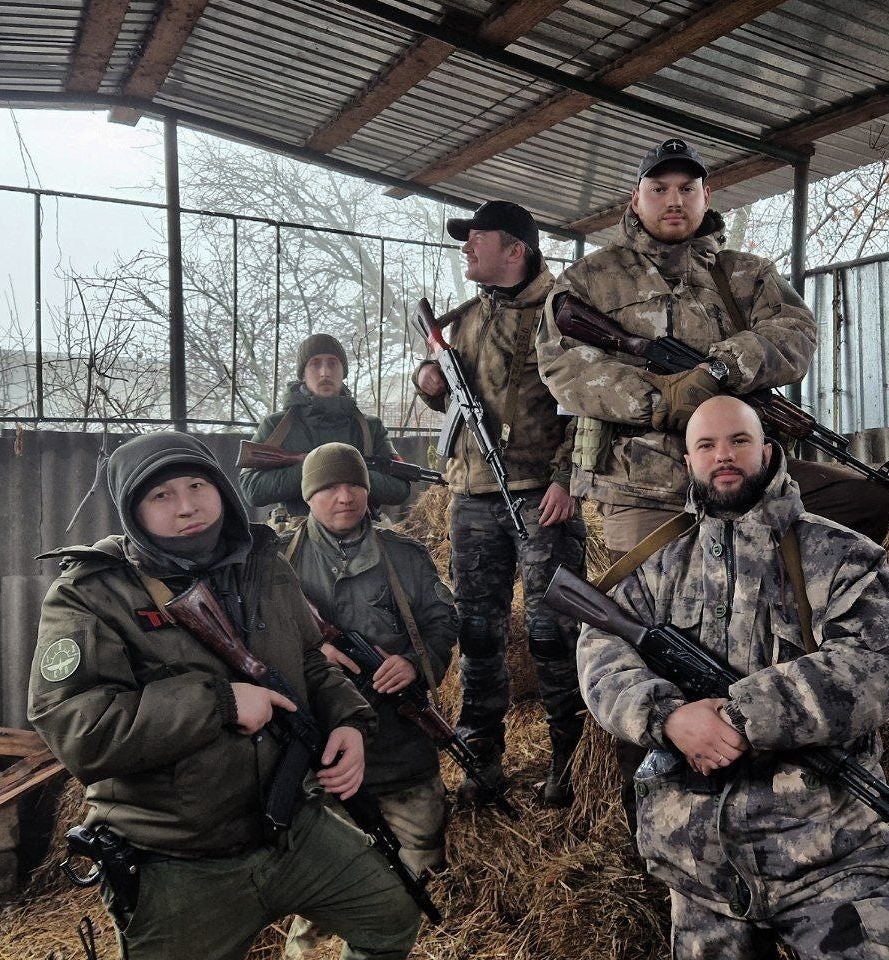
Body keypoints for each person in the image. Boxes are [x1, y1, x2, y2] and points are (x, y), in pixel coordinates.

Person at [28, 432, 419, 960]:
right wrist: (219, 704)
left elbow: (308, 660)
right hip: (178, 859)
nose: (186, 506)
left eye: (197, 485)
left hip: (292, 828)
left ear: (222, 489)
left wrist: (348, 720)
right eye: (161, 495)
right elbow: (80, 729)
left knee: (391, 917)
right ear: (132, 511)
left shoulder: (264, 562)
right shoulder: (91, 594)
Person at [577, 396, 889, 959]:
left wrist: (740, 717)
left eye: (739, 441)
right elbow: (600, 650)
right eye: (706, 445)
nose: (723, 456)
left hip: (827, 857)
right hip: (698, 868)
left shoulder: (841, 555)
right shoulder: (657, 563)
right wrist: (669, 718)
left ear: (768, 450)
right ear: (689, 461)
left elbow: (878, 667)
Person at [537, 137, 889, 553]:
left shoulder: (747, 273)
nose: (675, 200)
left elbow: (795, 333)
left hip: (745, 477)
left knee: (864, 500)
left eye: (687, 189)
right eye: (659, 189)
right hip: (642, 483)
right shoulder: (589, 278)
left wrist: (720, 370)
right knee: (648, 593)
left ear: (705, 197)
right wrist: (663, 399)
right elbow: (563, 366)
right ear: (635, 199)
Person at [412, 200, 587, 808]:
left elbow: (588, 405)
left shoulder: (562, 314)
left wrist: (566, 478)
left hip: (541, 496)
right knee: (478, 633)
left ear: (516, 249)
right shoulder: (464, 319)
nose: (466, 248)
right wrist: (428, 382)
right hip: (472, 497)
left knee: (551, 631)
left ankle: (571, 762)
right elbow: (450, 393)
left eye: (477, 238)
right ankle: (480, 761)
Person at [283, 442, 458, 958]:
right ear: (308, 496)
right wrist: (312, 652)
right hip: (320, 747)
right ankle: (305, 949)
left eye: (355, 485)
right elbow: (252, 641)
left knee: (422, 853)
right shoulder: (278, 563)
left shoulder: (405, 556)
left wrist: (415, 662)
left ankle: (383, 941)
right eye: (329, 487)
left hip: (402, 739)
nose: (345, 497)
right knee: (321, 872)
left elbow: (442, 621)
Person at [240, 333, 410, 518]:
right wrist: (313, 469)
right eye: (315, 364)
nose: (325, 372)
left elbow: (400, 488)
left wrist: (352, 471)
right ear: (303, 374)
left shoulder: (370, 427)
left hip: (362, 530)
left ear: (343, 372)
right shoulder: (276, 426)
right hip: (296, 530)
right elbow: (251, 488)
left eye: (333, 363)